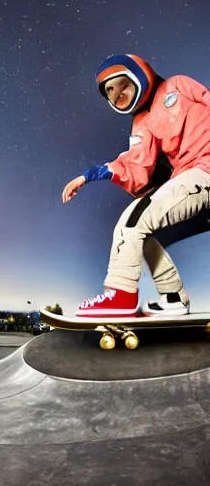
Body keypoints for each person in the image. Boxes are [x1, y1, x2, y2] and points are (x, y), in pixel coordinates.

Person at [62, 54, 210, 317]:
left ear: (138, 75)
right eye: (110, 91)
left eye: (123, 85)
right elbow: (136, 164)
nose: (118, 93)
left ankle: (121, 294)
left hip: (205, 168)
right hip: (186, 177)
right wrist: (90, 175)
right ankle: (173, 296)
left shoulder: (179, 85)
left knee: (135, 219)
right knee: (134, 228)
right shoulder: (142, 122)